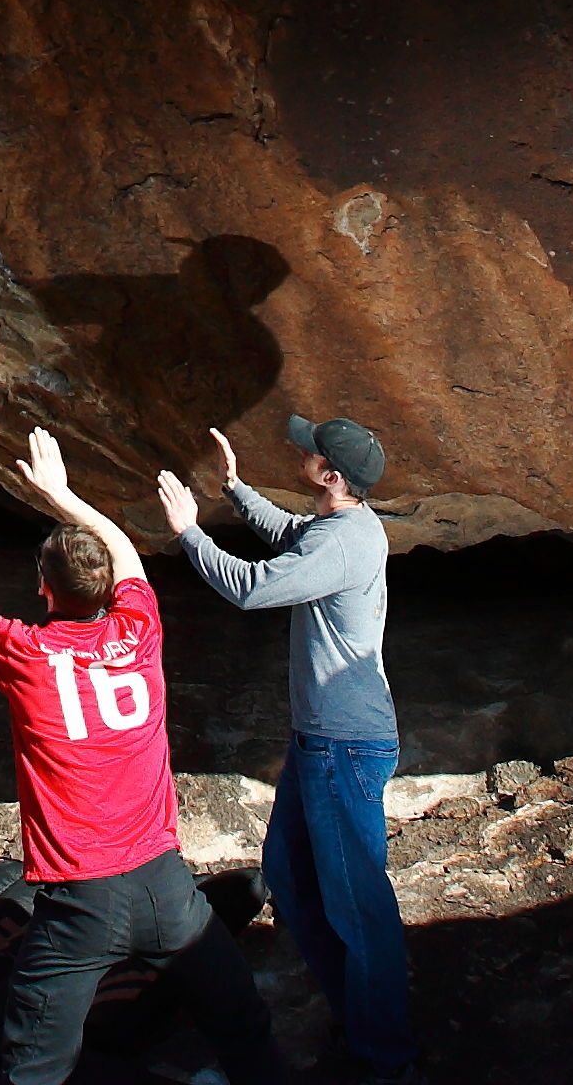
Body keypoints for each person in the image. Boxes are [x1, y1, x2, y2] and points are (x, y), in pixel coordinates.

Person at [0, 430, 284, 1085]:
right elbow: (128, 555)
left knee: (35, 1066)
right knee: (240, 1020)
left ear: (43, 589)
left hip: (81, 901)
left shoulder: (25, 653)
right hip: (167, 888)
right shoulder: (139, 628)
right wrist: (62, 494)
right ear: (106, 588)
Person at [160, 417, 415, 1083]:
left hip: (344, 748)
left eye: (312, 451)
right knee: (293, 879)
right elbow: (291, 537)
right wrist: (236, 487)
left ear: (333, 475)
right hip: (319, 745)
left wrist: (189, 532)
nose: (301, 450)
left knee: (359, 908)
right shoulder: (339, 525)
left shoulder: (347, 541)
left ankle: (384, 1061)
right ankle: (360, 1021)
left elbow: (253, 587)